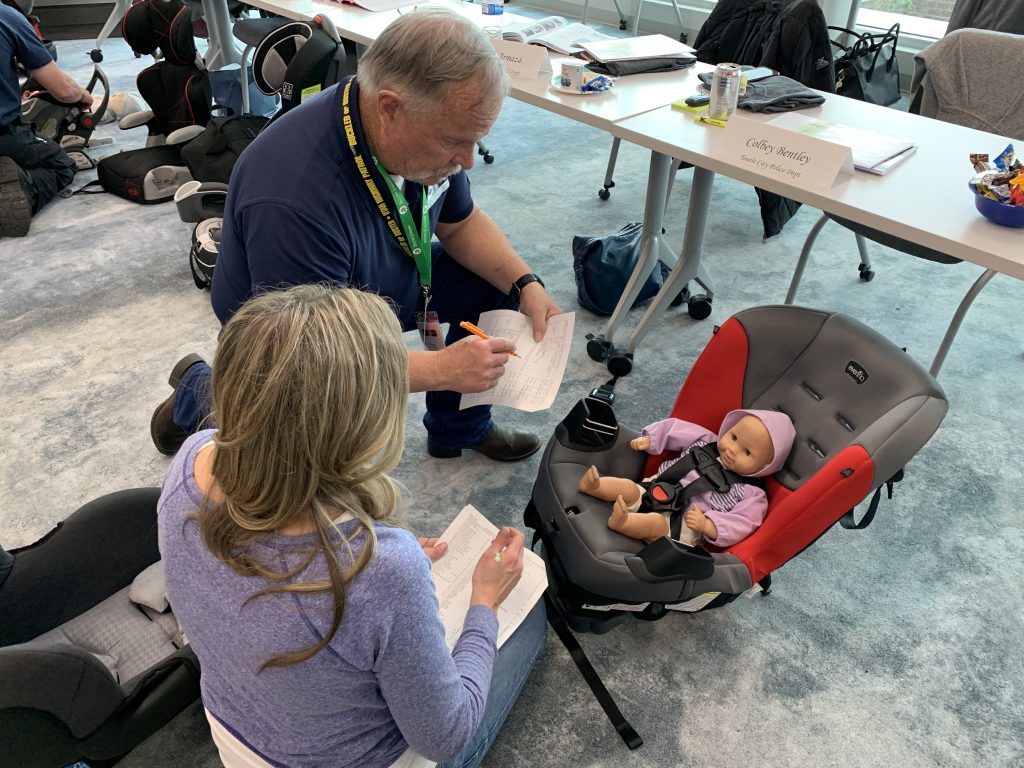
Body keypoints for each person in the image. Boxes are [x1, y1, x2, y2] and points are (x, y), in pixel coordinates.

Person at [158, 284, 547, 768]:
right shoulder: (385, 569)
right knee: (530, 614)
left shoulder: (189, 461)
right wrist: (483, 602)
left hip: (235, 732)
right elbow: (444, 737)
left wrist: (378, 583)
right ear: (360, 424)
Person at [151, 9, 561, 462]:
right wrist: (442, 369)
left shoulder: (415, 131)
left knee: (496, 285)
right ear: (390, 108)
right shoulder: (293, 197)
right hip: (288, 332)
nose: (467, 160)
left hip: (384, 275)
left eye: (474, 140)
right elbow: (315, 359)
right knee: (301, 440)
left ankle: (459, 428)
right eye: (453, 141)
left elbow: (459, 221)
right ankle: (200, 390)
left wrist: (526, 283)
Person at [578, 410, 796, 548]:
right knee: (628, 488)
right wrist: (651, 439)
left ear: (766, 466)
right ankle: (595, 486)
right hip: (655, 487)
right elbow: (677, 429)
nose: (732, 450)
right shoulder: (706, 440)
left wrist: (710, 526)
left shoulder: (753, 493)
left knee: (654, 524)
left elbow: (744, 522)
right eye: (734, 437)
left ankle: (624, 523)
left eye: (747, 453)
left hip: (681, 525)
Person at [0, 0, 88, 237]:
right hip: (5, 135)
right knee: (62, 166)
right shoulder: (7, 17)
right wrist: (83, 95)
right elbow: (63, 91)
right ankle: (23, 187)